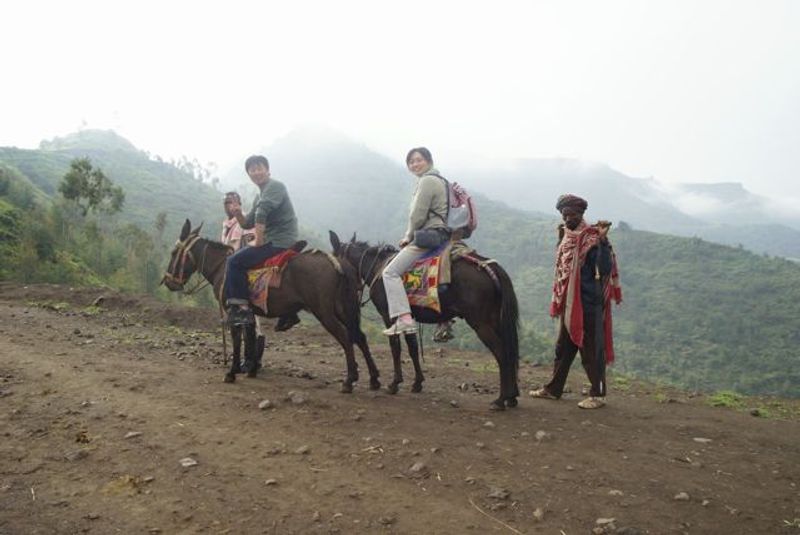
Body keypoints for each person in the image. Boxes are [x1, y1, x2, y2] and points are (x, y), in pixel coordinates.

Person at [530, 194, 622, 409]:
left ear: (581, 214)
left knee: (591, 349)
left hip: (588, 303)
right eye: (564, 214)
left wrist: (602, 241)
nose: (568, 218)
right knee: (564, 348)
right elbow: (562, 266)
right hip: (569, 302)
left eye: (572, 214)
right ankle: (554, 389)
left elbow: (605, 269)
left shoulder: (592, 239)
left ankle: (598, 394)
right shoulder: (567, 236)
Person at [224, 155, 301, 330]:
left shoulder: (275, 187)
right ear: (249, 174)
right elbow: (247, 223)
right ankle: (288, 311)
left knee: (234, 261)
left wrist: (258, 241)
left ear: (267, 170)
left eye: (259, 168)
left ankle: (242, 309)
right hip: (274, 238)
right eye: (252, 169)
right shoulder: (260, 196)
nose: (256, 172)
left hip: (279, 240)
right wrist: (237, 213)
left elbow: (262, 213)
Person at [381, 147, 450, 336]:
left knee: (390, 272)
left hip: (428, 235)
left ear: (428, 161)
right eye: (411, 162)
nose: (415, 164)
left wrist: (408, 236)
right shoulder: (441, 181)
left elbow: (417, 215)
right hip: (443, 233)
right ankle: (445, 317)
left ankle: (404, 319)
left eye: (418, 160)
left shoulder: (427, 181)